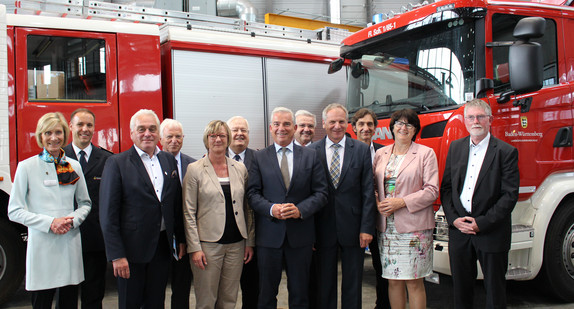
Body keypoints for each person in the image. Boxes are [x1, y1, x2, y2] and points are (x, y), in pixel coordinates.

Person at [99, 109, 185, 309]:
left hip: (162, 248)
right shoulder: (116, 163)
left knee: (156, 302)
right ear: (131, 133)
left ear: (158, 134)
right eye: (142, 129)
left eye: (152, 129)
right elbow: (107, 214)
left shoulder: (168, 160)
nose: (147, 133)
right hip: (130, 252)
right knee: (131, 303)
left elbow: (174, 203)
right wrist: (117, 255)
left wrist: (180, 238)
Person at [440, 99, 519, 309]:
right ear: (464, 121)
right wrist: (454, 219)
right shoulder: (455, 147)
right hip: (459, 231)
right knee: (461, 291)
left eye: (480, 117)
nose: (476, 121)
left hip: (491, 232)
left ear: (490, 120)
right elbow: (446, 188)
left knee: (495, 292)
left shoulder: (506, 152)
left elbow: (509, 196)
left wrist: (481, 223)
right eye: (471, 117)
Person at [8, 112, 91, 309]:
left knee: (69, 302)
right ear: (40, 136)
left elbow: (85, 203)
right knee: (42, 302)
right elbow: (14, 210)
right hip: (43, 247)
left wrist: (72, 219)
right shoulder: (26, 167)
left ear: (65, 134)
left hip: (69, 244)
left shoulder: (74, 166)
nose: (54, 138)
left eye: (58, 132)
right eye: (48, 133)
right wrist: (50, 223)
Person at [247, 107, 328, 309]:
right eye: (277, 124)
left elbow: (321, 193)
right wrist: (271, 208)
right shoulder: (259, 157)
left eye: (286, 124)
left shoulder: (311, 156)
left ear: (294, 127)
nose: (281, 128)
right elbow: (252, 194)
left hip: (300, 237)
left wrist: (301, 210)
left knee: (300, 295)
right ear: (271, 128)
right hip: (269, 238)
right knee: (266, 295)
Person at [309, 103, 376, 309]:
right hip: (322, 228)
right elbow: (309, 193)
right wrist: (310, 233)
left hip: (354, 228)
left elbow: (367, 192)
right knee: (324, 282)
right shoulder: (312, 151)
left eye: (341, 121)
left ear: (348, 123)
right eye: (332, 122)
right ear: (324, 124)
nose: (337, 126)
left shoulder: (362, 150)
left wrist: (366, 228)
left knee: (353, 282)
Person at [183, 120, 254, 309]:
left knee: (229, 300)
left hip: (237, 245)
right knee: (206, 300)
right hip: (207, 247)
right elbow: (188, 211)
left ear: (228, 139)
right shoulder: (195, 169)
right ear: (207, 140)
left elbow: (248, 208)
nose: (217, 139)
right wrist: (195, 248)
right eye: (213, 136)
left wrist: (250, 242)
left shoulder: (240, 169)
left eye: (222, 135)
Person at [373, 108, 439, 309]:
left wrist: (400, 202)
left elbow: (432, 190)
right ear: (392, 127)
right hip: (387, 229)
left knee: (413, 280)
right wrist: (377, 202)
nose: (403, 127)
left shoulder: (425, 154)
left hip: (414, 230)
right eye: (399, 123)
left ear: (415, 130)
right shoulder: (381, 153)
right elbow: (374, 187)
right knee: (392, 280)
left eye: (409, 124)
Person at [63, 108, 112, 309]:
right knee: (66, 296)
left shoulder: (108, 160)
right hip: (65, 238)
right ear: (70, 126)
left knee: (94, 295)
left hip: (95, 239)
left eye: (89, 125)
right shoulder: (58, 157)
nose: (85, 129)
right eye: (80, 124)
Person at [351, 108, 390, 309]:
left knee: (382, 266)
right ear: (354, 127)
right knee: (355, 269)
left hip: (382, 220)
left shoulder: (385, 152)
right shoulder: (348, 152)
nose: (366, 128)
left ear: (375, 128)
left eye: (370, 124)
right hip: (357, 221)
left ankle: (382, 304)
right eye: (361, 124)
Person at [159, 118, 196, 309]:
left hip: (186, 237)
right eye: (169, 136)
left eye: (178, 136)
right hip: (159, 236)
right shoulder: (152, 163)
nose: (174, 140)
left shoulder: (193, 165)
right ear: (160, 139)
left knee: (182, 286)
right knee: (155, 288)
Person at [227, 115, 259, 308]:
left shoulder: (261, 158)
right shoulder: (214, 159)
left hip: (254, 236)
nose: (239, 134)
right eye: (235, 130)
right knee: (225, 290)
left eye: (244, 130)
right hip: (225, 236)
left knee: (252, 288)